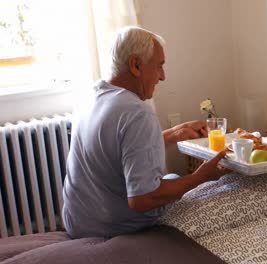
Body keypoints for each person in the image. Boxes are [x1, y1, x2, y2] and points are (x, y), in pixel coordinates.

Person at [62, 26, 228, 239]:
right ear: (136, 65)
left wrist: (174, 133)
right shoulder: (137, 113)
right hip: (112, 228)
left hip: (77, 222)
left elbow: (115, 149)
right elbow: (142, 199)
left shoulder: (92, 97)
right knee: (183, 183)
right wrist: (200, 177)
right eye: (159, 66)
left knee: (171, 179)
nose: (163, 76)